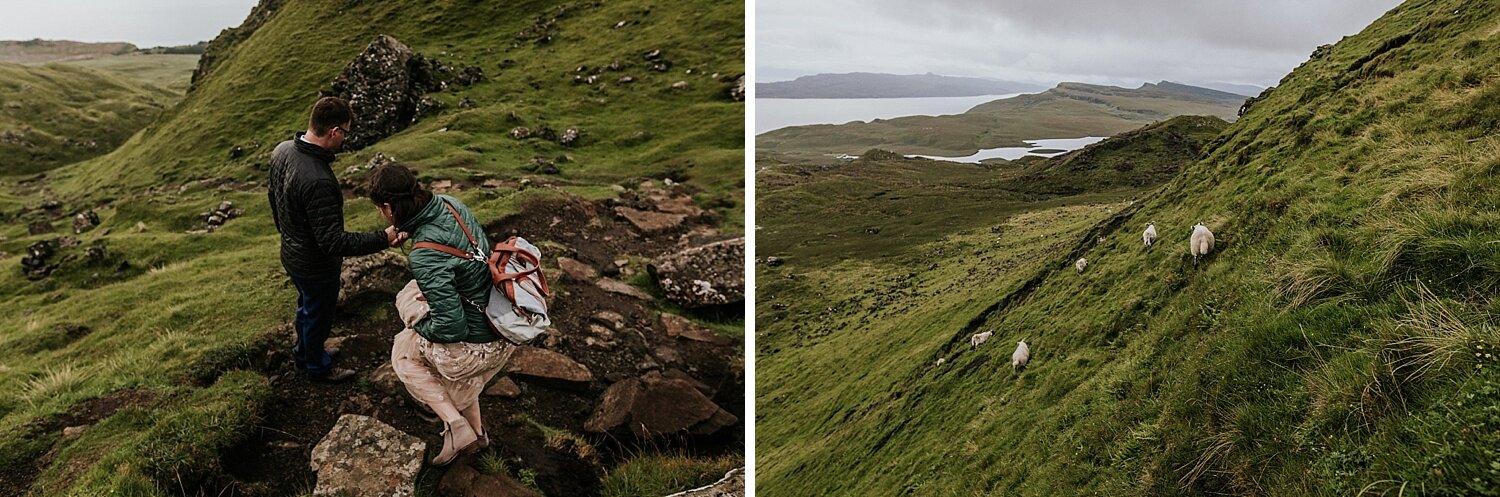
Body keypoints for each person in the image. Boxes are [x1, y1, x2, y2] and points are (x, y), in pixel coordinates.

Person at [368, 163, 514, 465]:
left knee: (404, 352)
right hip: (503, 327)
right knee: (418, 307)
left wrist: (421, 325)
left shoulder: (424, 253)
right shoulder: (451, 203)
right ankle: (477, 431)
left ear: (387, 207)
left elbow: (452, 329)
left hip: (478, 348)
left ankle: (456, 426)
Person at [268, 96, 405, 383]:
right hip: (315, 266)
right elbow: (333, 242)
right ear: (334, 132)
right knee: (318, 313)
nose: (345, 140)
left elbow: (274, 199)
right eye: (345, 132)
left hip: (292, 253)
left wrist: (289, 235)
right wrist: (384, 237)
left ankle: (304, 351)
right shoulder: (318, 179)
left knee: (307, 306)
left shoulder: (282, 151)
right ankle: (317, 367)